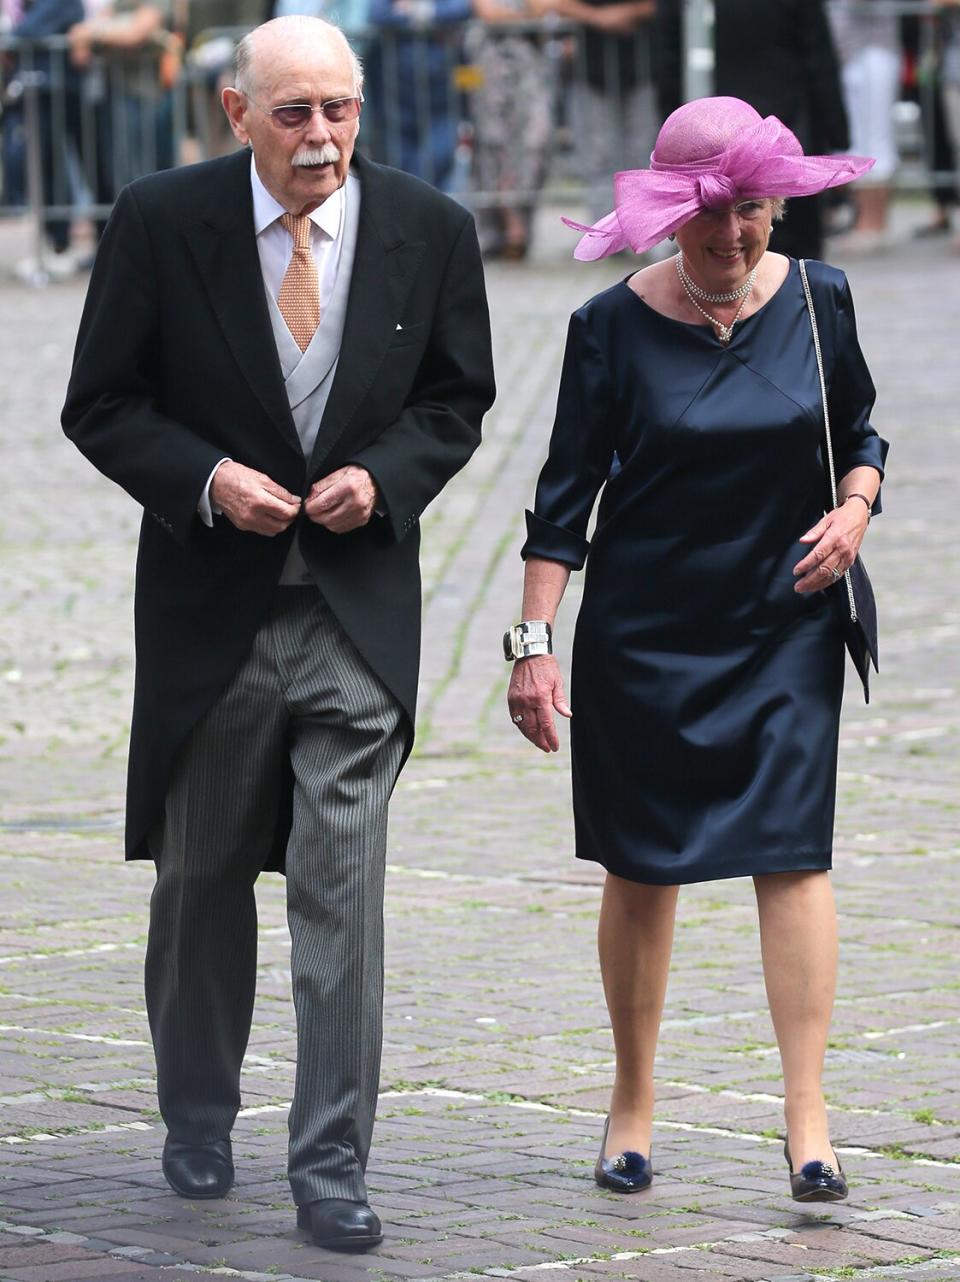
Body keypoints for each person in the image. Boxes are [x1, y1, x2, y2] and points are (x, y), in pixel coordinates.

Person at [61, 14, 494, 1253]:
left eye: (340, 110)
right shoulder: (160, 219)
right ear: (236, 115)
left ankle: (331, 1166)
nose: (322, 138)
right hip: (215, 619)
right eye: (294, 112)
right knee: (200, 883)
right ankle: (196, 1111)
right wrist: (205, 479)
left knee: (341, 899)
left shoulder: (428, 228)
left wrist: (387, 477)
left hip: (355, 618)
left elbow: (457, 396)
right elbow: (102, 402)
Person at [505, 97, 887, 1202]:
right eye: (712, 220)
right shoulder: (607, 329)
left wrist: (856, 508)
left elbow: (860, 434)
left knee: (794, 851)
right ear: (670, 216)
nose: (734, 241)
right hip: (647, 637)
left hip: (784, 624)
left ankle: (808, 1119)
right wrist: (534, 648)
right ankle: (631, 1102)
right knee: (643, 864)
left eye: (756, 215)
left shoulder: (822, 300)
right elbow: (561, 508)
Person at [654, 0, 849, 260]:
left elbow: (667, 64)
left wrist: (673, 131)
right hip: (783, 125)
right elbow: (819, 58)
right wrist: (837, 132)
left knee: (721, 247)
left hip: (714, 131)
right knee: (795, 253)